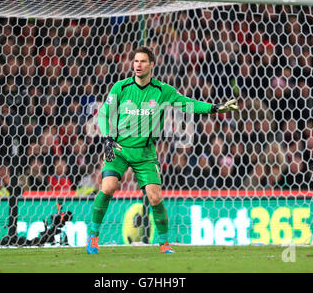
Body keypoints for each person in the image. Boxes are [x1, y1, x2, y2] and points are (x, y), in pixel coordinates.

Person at [86, 46, 239, 254]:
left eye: (142, 61)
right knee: (108, 188)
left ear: (151, 65)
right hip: (119, 149)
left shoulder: (162, 91)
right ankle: (93, 237)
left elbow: (187, 104)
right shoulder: (121, 87)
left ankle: (164, 243)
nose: (138, 65)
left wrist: (215, 108)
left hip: (145, 153)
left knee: (155, 197)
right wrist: (107, 137)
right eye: (136, 61)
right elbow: (104, 114)